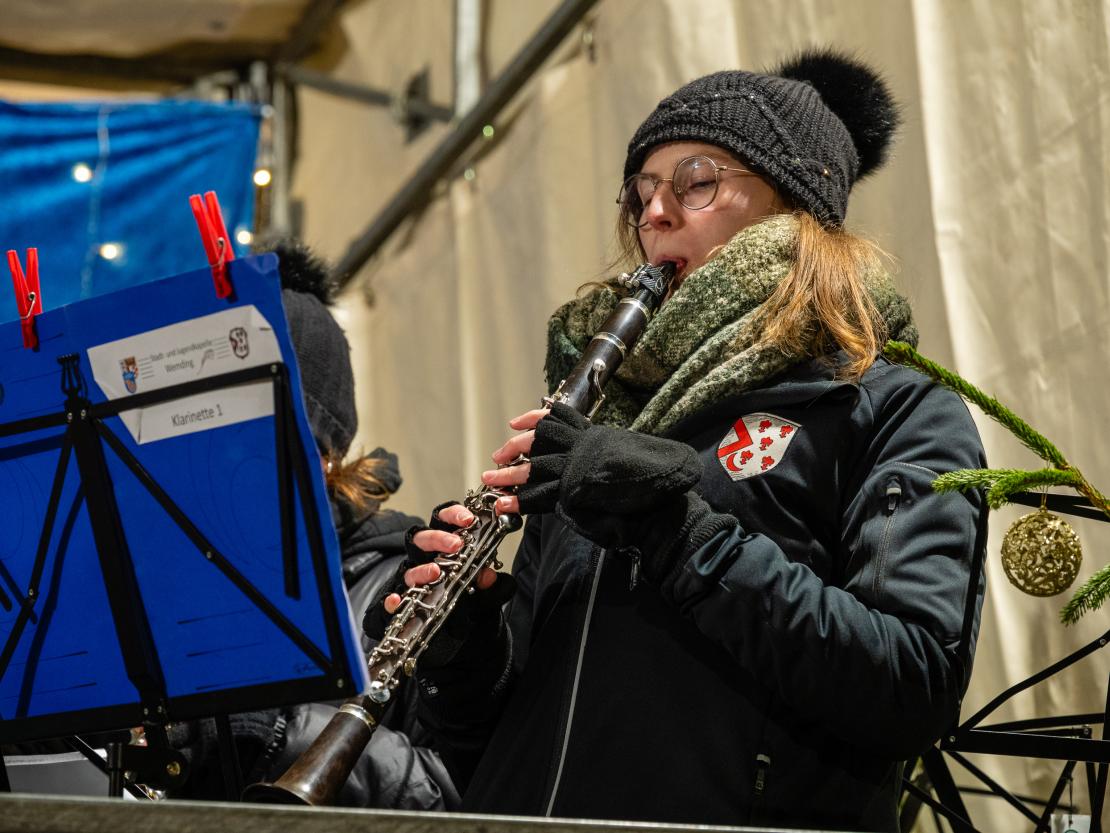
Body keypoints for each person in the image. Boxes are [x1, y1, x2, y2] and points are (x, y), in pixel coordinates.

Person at [374, 50, 987, 832]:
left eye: (696, 181)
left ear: (794, 207)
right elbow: (489, 752)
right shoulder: (600, 421)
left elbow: (912, 682)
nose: (655, 213)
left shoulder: (890, 405)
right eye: (641, 193)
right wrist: (469, 656)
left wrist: (676, 530)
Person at [168, 240, 458, 810]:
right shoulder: (165, 570)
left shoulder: (403, 580)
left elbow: (448, 790)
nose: (222, 455)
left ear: (329, 455)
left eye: (256, 427)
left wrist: (274, 733)